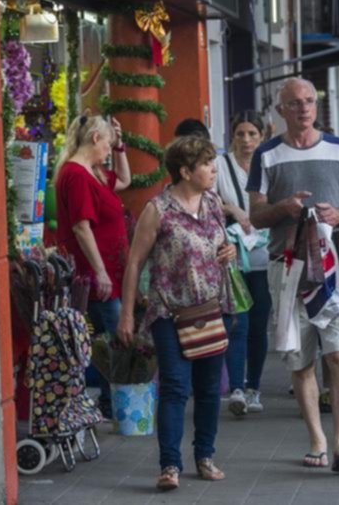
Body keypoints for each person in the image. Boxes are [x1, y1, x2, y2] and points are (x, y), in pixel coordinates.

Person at [248, 77, 339, 472]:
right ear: (280, 110)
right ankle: (316, 439)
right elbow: (255, 215)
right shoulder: (266, 154)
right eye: (295, 103)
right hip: (287, 269)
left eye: (309, 102)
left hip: (334, 268)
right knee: (301, 362)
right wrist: (283, 208)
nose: (304, 109)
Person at [117, 137, 237, 491]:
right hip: (169, 312)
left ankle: (205, 457)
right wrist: (127, 314)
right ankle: (170, 465)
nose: (214, 169)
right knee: (174, 387)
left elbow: (220, 243)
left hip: (212, 308)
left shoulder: (214, 202)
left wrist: (228, 250)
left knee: (209, 389)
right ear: (185, 171)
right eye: (207, 164)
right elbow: (135, 261)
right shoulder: (159, 209)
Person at [55, 112, 131, 418]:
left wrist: (122, 145)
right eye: (109, 144)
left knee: (104, 336)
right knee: (113, 335)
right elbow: (81, 227)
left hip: (109, 270)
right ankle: (114, 403)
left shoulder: (94, 171)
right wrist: (99, 271)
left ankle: (110, 401)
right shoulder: (76, 174)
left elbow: (125, 180)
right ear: (95, 138)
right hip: (96, 273)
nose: (109, 151)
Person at [215, 111, 272, 415]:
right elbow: (207, 199)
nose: (247, 140)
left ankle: (254, 387)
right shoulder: (220, 166)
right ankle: (236, 387)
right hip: (232, 255)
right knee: (239, 322)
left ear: (262, 136)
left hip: (265, 255)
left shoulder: (270, 165)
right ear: (232, 136)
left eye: (252, 134)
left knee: (259, 326)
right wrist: (233, 208)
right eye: (241, 134)